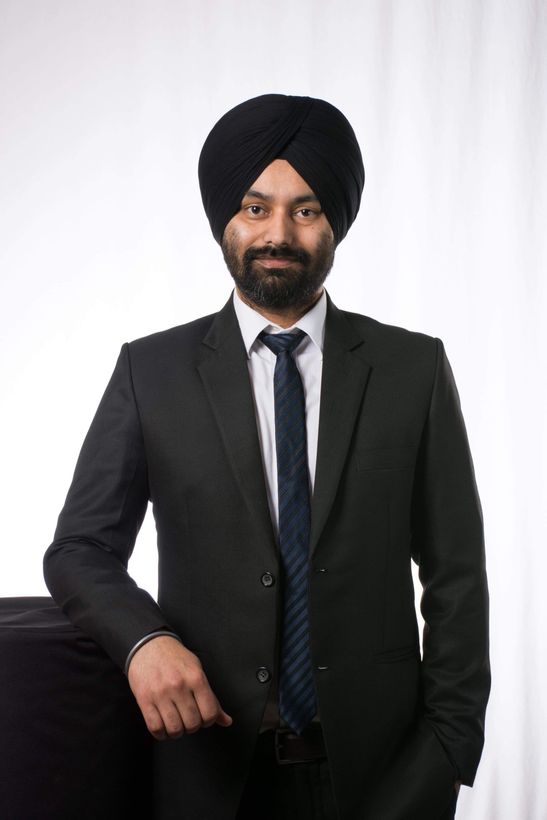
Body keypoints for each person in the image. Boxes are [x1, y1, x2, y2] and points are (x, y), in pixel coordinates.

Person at [44, 94, 490, 820]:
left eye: (305, 209)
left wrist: (447, 749)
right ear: (224, 218)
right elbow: (79, 548)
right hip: (207, 776)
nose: (277, 232)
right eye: (255, 208)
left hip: (381, 780)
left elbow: (456, 574)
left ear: (334, 222)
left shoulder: (412, 369)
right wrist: (143, 641)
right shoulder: (150, 372)